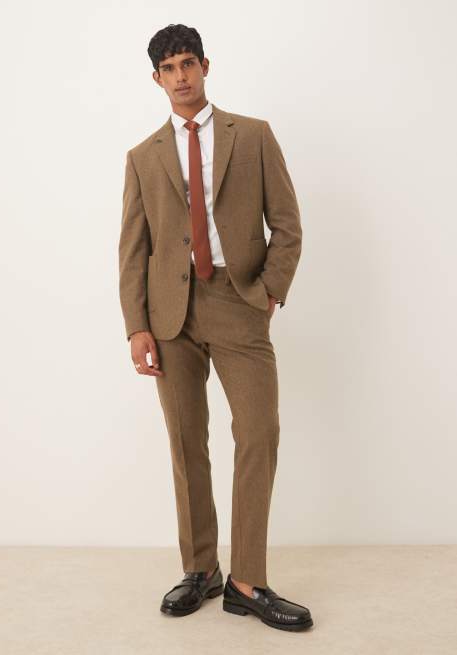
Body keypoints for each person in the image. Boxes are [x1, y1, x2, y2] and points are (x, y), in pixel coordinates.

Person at [118, 23, 313, 632]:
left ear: (205, 66)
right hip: (168, 314)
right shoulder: (142, 156)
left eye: (188, 63)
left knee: (258, 433)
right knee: (185, 441)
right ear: (156, 79)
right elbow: (134, 248)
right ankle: (201, 569)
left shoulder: (251, 135)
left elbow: (288, 224)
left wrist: (267, 294)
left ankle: (247, 581)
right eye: (168, 69)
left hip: (238, 300)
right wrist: (136, 326)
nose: (180, 77)